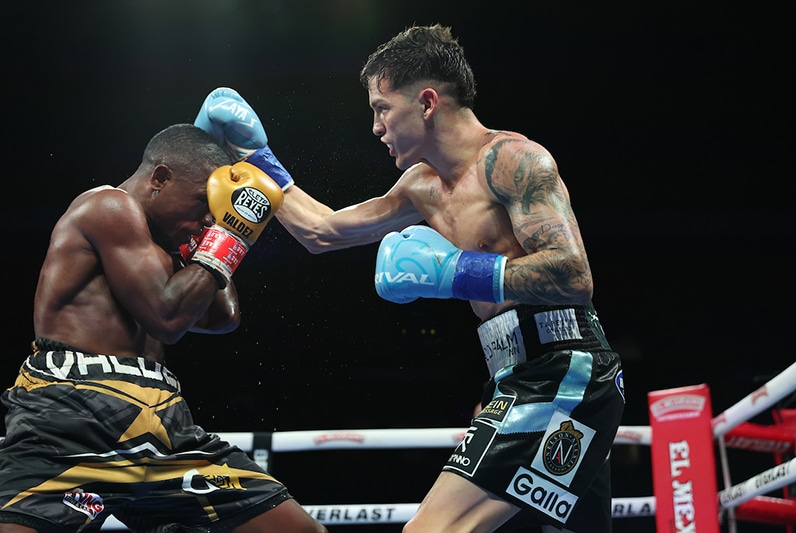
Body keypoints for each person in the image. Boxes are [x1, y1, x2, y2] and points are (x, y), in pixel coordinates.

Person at [200, 23, 625, 533]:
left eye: (382, 108)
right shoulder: (422, 185)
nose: (376, 127)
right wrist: (255, 157)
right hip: (515, 376)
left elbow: (574, 276)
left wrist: (456, 273)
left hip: (563, 372)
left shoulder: (513, 161)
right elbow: (324, 231)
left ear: (426, 102)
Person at [0, 120, 328, 532]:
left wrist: (216, 236)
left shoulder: (170, 249)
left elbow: (221, 317)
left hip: (162, 427)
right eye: (199, 204)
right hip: (71, 420)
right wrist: (230, 230)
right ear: (160, 178)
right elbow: (168, 318)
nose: (205, 219)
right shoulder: (108, 206)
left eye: (215, 211)